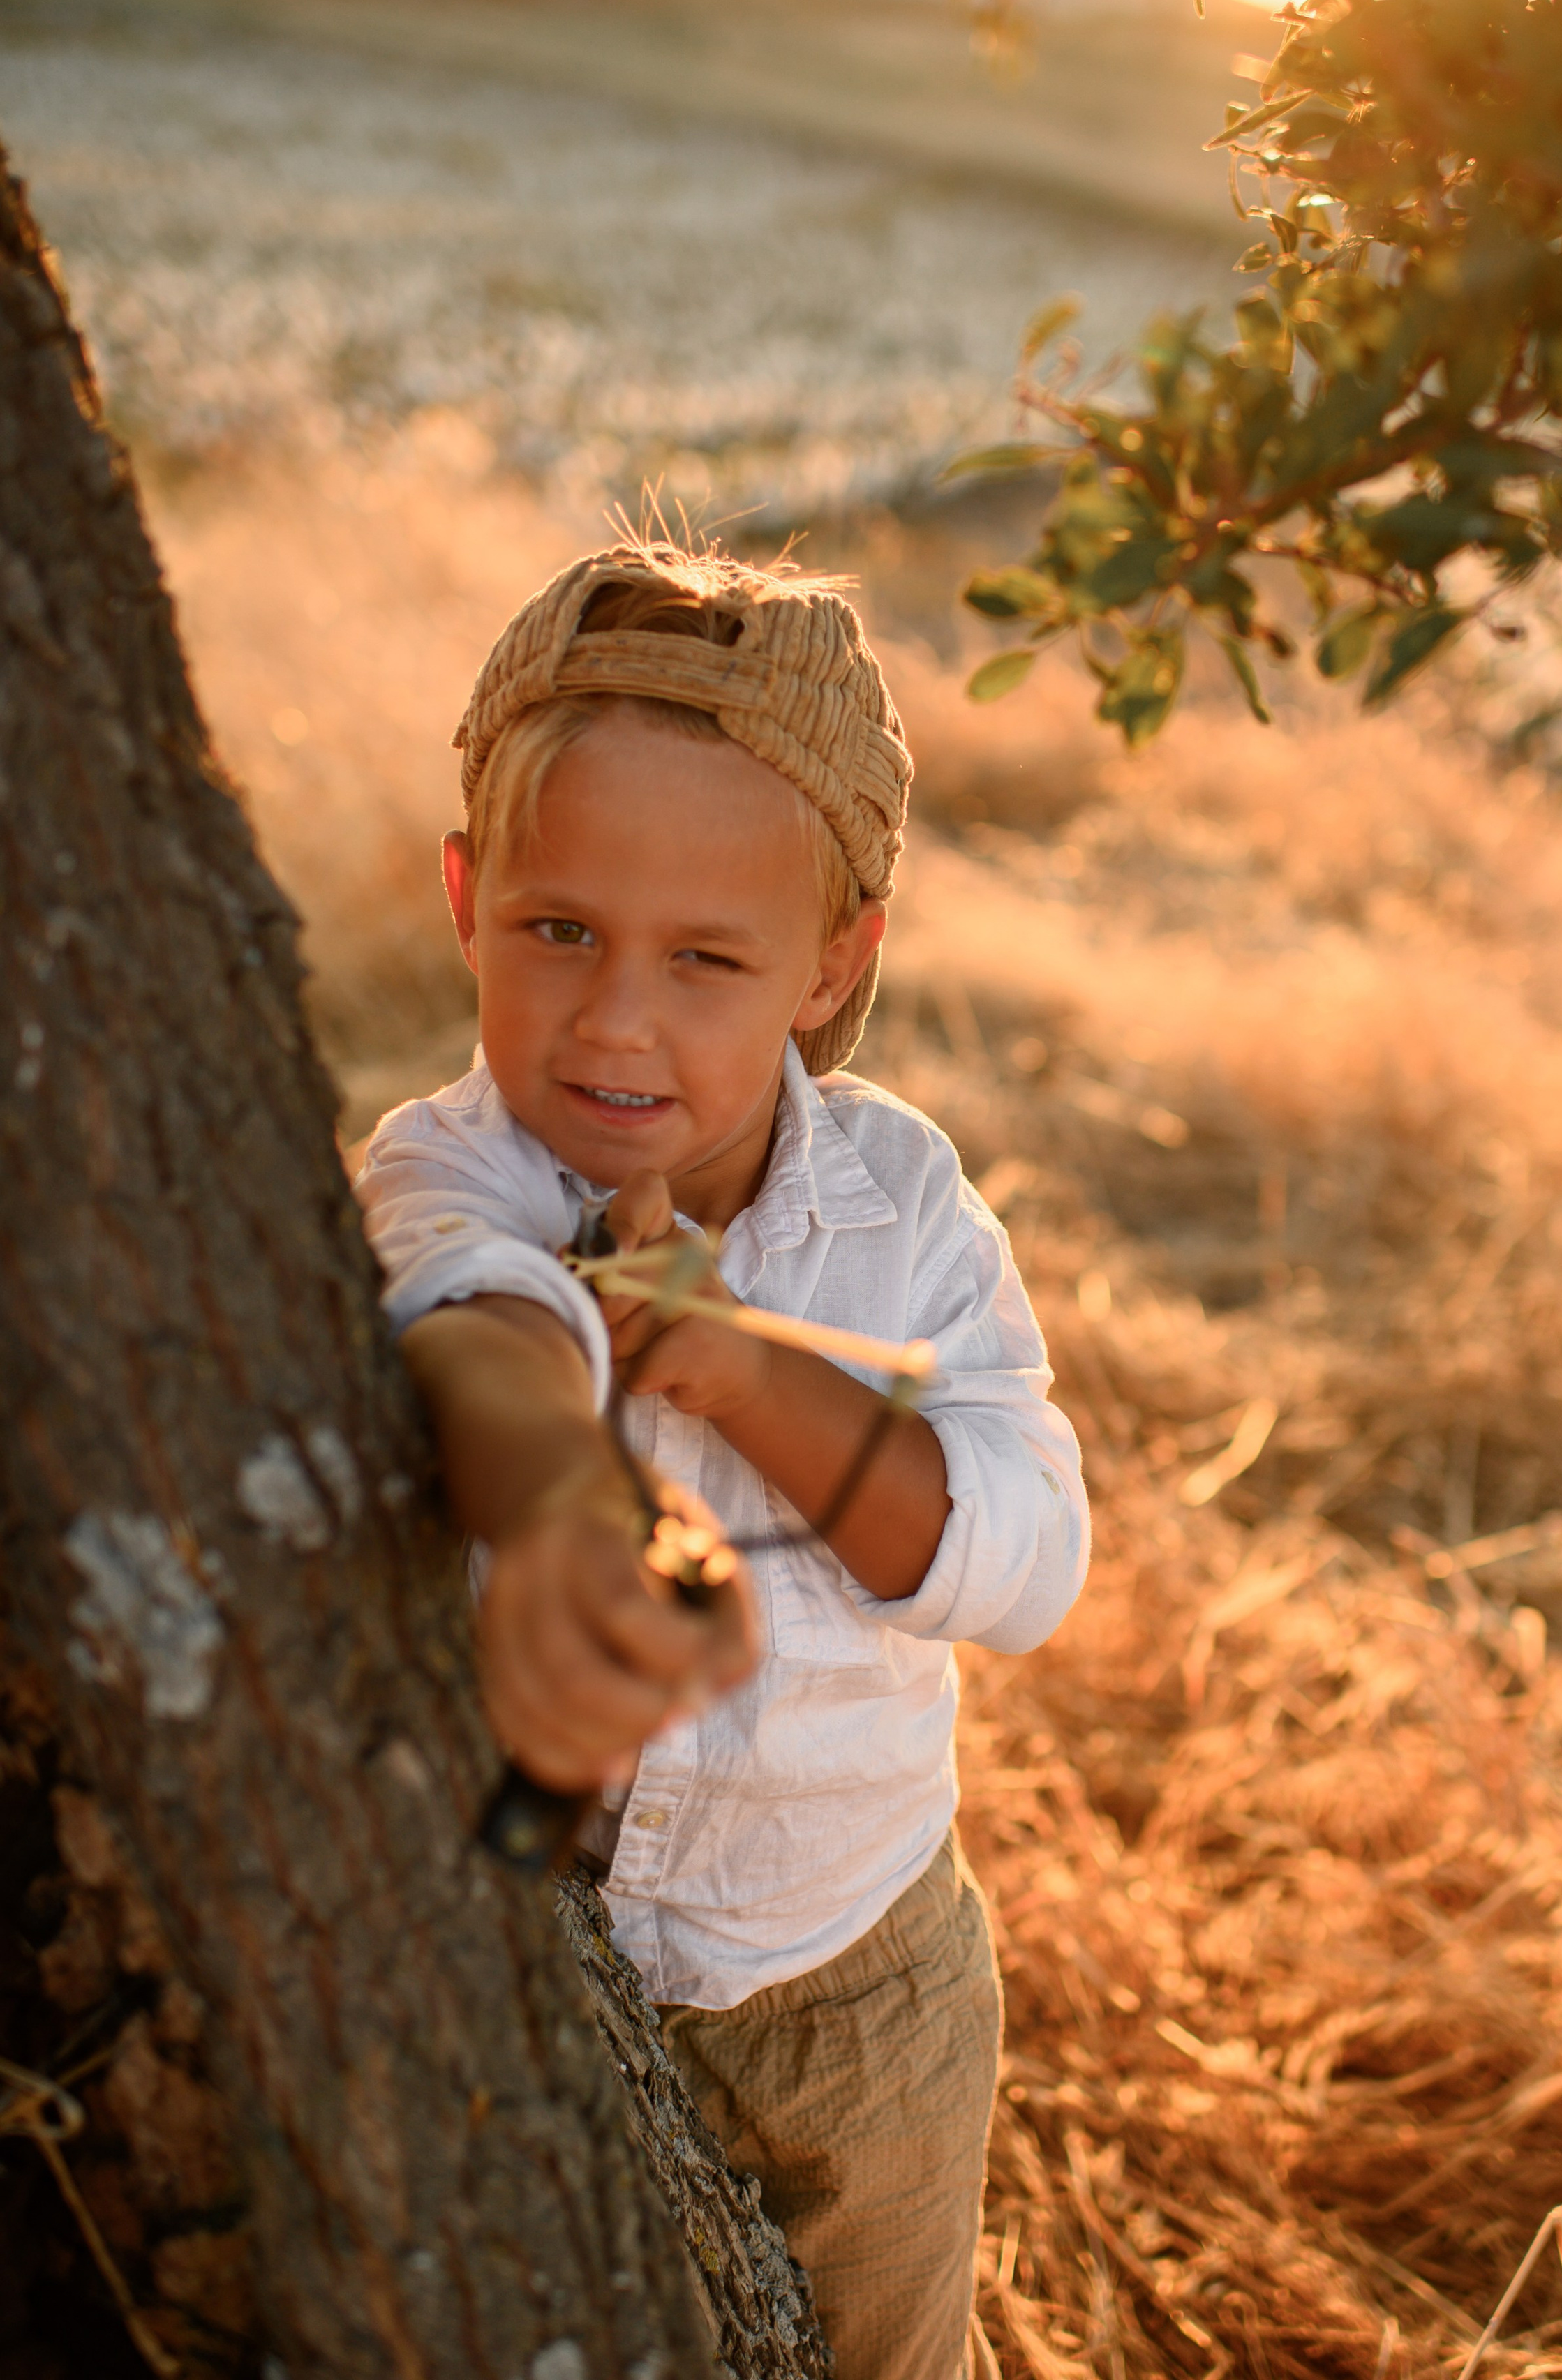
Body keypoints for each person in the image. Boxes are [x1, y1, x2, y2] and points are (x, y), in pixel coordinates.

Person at [357, 541, 1089, 2380]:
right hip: (529, 1966)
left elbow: (1028, 1556)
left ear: (832, 966)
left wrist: (760, 1381)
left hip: (854, 1982)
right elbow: (482, 1323)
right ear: (467, 896)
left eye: (706, 960)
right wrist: (551, 1508)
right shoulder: (448, 1164)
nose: (616, 1020)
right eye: (560, 931)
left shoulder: (898, 1209)